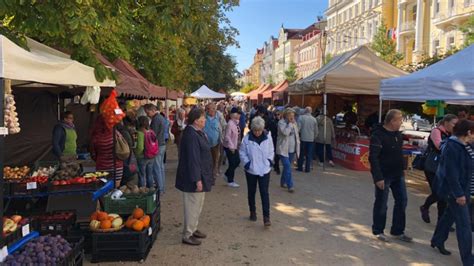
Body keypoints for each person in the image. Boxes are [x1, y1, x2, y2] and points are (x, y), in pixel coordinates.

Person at [431, 119, 474, 266]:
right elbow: (451, 173)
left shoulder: (467, 144)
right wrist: (459, 194)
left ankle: (437, 240)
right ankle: (468, 259)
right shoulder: (452, 147)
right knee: (464, 225)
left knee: (449, 216)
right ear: (468, 132)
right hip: (454, 191)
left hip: (464, 189)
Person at [369, 109, 412, 243]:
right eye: (399, 120)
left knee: (402, 201)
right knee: (382, 203)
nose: (401, 122)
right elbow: (373, 157)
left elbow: (399, 154)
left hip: (397, 174)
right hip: (384, 175)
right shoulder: (378, 135)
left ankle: (398, 230)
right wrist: (378, 177)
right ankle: (378, 230)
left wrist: (402, 169)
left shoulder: (398, 135)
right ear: (392, 121)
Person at [175, 108, 213, 246]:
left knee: (197, 205)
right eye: (203, 119)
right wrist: (197, 180)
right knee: (192, 206)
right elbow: (193, 159)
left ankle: (193, 228)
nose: (205, 121)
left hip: (200, 175)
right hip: (192, 178)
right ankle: (187, 234)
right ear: (196, 121)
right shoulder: (191, 135)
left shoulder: (196, 132)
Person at [419, 114, 458, 223]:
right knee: (438, 193)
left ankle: (441, 220)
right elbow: (439, 146)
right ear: (446, 123)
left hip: (444, 167)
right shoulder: (437, 131)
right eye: (453, 123)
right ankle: (425, 207)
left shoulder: (451, 134)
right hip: (433, 166)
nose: (455, 126)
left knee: (443, 195)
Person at [240, 116, 274, 227]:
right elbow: (242, 152)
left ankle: (266, 217)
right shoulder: (246, 138)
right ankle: (252, 212)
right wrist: (247, 163)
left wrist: (269, 161)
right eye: (255, 130)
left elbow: (271, 150)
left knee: (264, 193)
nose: (257, 132)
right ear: (252, 129)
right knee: (252, 192)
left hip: (265, 169)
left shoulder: (268, 137)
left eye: (259, 130)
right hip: (251, 170)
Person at [90, 116, 124, 187]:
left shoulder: (95, 137)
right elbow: (122, 146)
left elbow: (93, 154)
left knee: (103, 189)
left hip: (102, 166)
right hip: (116, 165)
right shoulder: (115, 133)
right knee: (115, 188)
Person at [144, 104, 167, 194]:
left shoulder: (156, 119)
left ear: (153, 110)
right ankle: (162, 187)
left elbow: (153, 134)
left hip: (158, 145)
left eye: (148, 112)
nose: (147, 114)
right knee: (160, 167)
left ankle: (160, 189)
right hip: (162, 144)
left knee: (157, 168)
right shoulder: (160, 117)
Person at [276, 108, 300, 193]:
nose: (292, 117)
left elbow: (297, 134)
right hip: (283, 148)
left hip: (292, 149)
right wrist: (290, 124)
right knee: (287, 166)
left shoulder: (294, 123)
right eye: (290, 115)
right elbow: (285, 133)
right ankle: (290, 185)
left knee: (287, 167)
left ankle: (283, 182)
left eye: (293, 115)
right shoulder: (281, 122)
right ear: (286, 115)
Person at [223, 107, 241, 188]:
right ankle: (230, 180)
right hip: (230, 147)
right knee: (232, 162)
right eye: (237, 113)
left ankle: (227, 174)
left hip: (235, 145)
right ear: (232, 115)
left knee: (237, 161)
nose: (239, 115)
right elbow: (227, 136)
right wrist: (231, 147)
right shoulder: (230, 124)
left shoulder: (236, 123)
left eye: (239, 114)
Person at [203, 103, 223, 179]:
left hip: (216, 143)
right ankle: (207, 174)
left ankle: (213, 174)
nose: (210, 110)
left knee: (215, 159)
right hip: (205, 143)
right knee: (206, 159)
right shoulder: (203, 117)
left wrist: (222, 138)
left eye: (212, 109)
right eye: (208, 109)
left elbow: (224, 126)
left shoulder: (219, 117)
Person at [135, 116, 155, 188]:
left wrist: (136, 154)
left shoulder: (139, 133)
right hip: (151, 155)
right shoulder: (151, 132)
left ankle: (143, 191)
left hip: (142, 156)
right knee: (150, 175)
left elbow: (140, 147)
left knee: (142, 176)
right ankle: (151, 191)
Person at [297, 107, 318, 173]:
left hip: (303, 138)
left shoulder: (301, 118)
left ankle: (300, 167)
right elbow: (316, 131)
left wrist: (298, 136)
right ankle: (307, 169)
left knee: (301, 154)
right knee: (309, 155)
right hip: (311, 139)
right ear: (311, 112)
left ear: (305, 111)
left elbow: (298, 128)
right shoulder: (314, 119)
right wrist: (314, 137)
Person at [269, 110, 281, 174]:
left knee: (277, 153)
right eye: (276, 115)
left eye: (278, 114)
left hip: (278, 139)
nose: (277, 116)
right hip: (274, 138)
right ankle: (275, 166)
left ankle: (276, 166)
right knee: (274, 152)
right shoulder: (273, 122)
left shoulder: (281, 122)